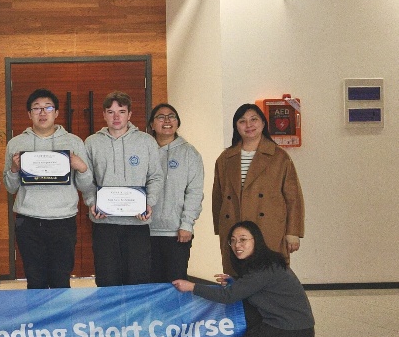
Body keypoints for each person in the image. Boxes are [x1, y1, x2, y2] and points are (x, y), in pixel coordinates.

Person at [173, 221, 314, 337]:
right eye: (233, 240)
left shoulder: (263, 269)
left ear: (256, 240)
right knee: (246, 315)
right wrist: (235, 281)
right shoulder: (268, 262)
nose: (237, 245)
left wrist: (192, 286)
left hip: (291, 334)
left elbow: (228, 296)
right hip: (298, 332)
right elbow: (254, 287)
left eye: (243, 239)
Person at [3, 89, 94, 289]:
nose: (42, 113)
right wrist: (14, 169)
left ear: (57, 113)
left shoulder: (73, 142)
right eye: (37, 108)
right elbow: (10, 187)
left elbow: (85, 185)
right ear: (29, 114)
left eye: (48, 108)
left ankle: (61, 312)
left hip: (63, 220)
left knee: (61, 280)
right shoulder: (16, 143)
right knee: (35, 281)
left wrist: (82, 168)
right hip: (28, 221)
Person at [83, 91, 164, 286]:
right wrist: (92, 202)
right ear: (104, 115)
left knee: (138, 279)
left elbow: (155, 176)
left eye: (121, 111)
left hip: (137, 223)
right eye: (111, 112)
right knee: (107, 280)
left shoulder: (146, 141)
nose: (116, 117)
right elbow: (86, 179)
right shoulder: (92, 142)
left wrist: (148, 202)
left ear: (130, 114)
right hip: (104, 223)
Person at [212, 103, 305, 270]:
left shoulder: (279, 157)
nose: (248, 125)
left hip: (268, 225)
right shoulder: (225, 158)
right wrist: (220, 228)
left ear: (263, 123)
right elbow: (218, 197)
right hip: (234, 223)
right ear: (236, 126)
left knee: (268, 272)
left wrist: (293, 232)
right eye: (242, 121)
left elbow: (293, 198)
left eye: (254, 119)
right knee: (236, 273)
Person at [147, 103, 204, 282]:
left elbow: (195, 192)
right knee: (149, 283)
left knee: (175, 283)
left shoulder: (189, 153)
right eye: (160, 117)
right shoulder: (144, 150)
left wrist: (187, 224)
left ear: (177, 122)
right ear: (152, 124)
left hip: (177, 233)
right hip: (144, 231)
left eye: (171, 116)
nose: (167, 120)